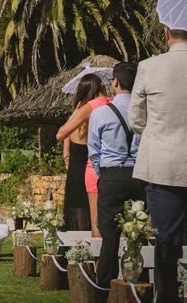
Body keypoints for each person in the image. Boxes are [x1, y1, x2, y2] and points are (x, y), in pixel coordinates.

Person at [130, 27, 187, 303]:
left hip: (162, 165)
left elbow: (135, 119)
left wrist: (154, 134)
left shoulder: (149, 67)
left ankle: (166, 298)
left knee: (165, 243)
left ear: (166, 32)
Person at [87, 62, 144, 302]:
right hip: (139, 175)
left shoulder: (101, 113)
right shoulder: (144, 111)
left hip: (111, 175)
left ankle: (103, 290)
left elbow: (94, 150)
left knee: (110, 235)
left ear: (116, 82)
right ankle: (136, 281)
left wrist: (103, 174)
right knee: (138, 231)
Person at [56, 74, 111, 236]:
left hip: (80, 161)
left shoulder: (84, 111)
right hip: (91, 159)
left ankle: (80, 251)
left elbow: (62, 134)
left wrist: (76, 112)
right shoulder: (105, 107)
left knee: (77, 206)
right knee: (92, 208)